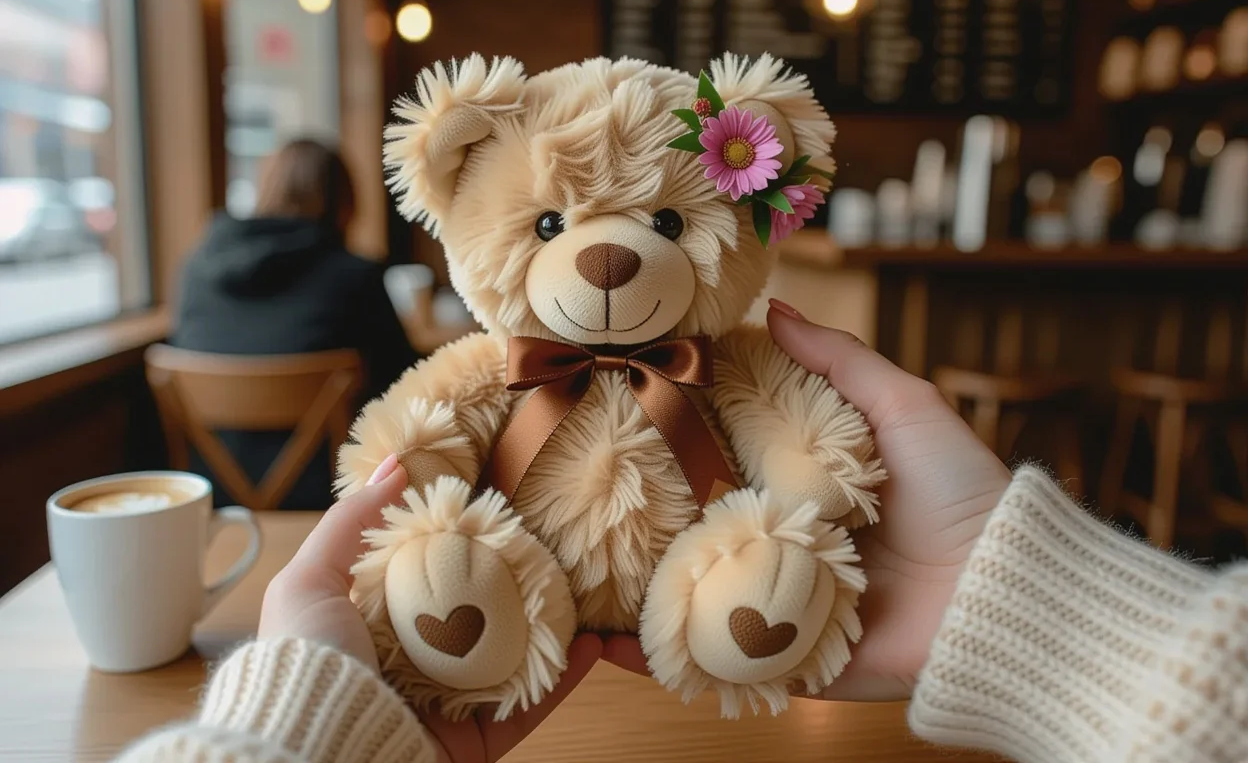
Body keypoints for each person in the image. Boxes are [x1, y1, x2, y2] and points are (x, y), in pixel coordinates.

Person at [122, 301, 1248, 762]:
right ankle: (458, 591)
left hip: (714, 569)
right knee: (433, 543)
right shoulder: (495, 359)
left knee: (776, 546)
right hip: (508, 605)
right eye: (558, 224)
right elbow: (418, 436)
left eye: (663, 223)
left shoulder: (730, 360)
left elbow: (798, 433)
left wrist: (301, 730)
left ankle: (749, 588)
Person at [172, 139, 418, 510]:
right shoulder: (355, 277)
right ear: (344, 201)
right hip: (334, 500)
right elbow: (405, 381)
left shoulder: (195, 268)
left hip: (208, 495)